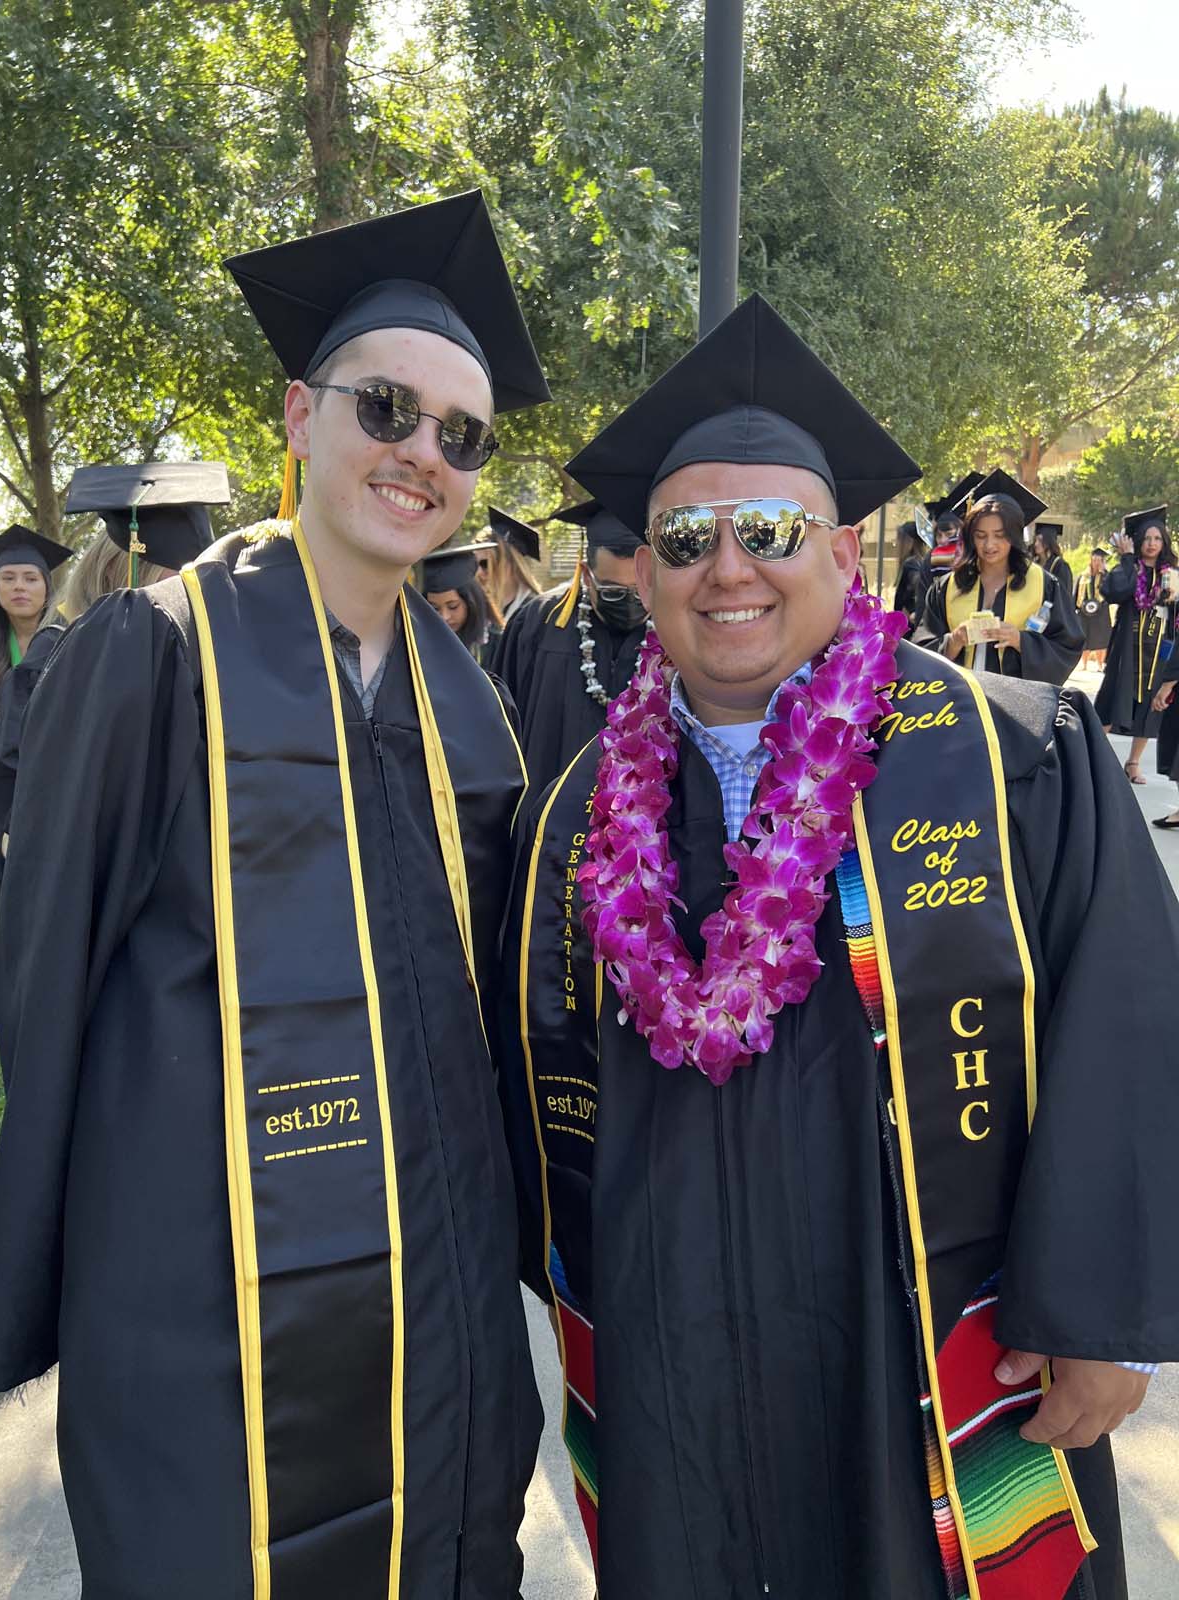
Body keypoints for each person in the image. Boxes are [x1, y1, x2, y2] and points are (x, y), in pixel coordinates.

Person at [501, 293, 1177, 1600]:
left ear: (843, 544)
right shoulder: (580, 810)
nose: (727, 569)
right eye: (685, 537)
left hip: (931, 1339)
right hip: (679, 1340)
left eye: (769, 531)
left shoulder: (1008, 755)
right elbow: (533, 1062)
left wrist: (1099, 1313)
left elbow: (1127, 1015)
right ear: (644, 565)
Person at [0, 190, 551, 1599]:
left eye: (458, 436)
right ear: (300, 418)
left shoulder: (466, 707)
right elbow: (44, 985)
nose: (420, 453)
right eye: (386, 408)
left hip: (435, 1292)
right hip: (206, 1300)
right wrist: (52, 1279)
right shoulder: (149, 658)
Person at [0, 461, 228, 870]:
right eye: (174, 583)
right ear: (126, 569)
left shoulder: (197, 657)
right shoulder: (57, 654)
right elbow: (22, 781)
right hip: (89, 876)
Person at [492, 498, 647, 802]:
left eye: (641, 589)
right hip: (543, 827)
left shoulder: (674, 630)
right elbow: (497, 729)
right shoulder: (537, 623)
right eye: (613, 592)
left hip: (642, 830)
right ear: (587, 576)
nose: (631, 602)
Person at [0, 527, 72, 921]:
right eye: (8, 578)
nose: (19, 587)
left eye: (31, 578)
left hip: (52, 764)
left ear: (47, 587)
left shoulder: (70, 639)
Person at [917, 472, 1083, 683]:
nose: (989, 545)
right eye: (981, 535)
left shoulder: (1044, 585)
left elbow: (1067, 647)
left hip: (1018, 706)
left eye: (999, 535)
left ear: (1014, 535)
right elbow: (921, 648)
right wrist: (953, 641)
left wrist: (1021, 641)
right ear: (970, 537)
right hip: (959, 705)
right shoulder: (948, 587)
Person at [1094, 505, 1177, 785]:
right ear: (1139, 541)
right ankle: (1092, 758)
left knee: (1150, 708)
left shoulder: (1173, 572)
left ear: (1164, 541)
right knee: (1112, 699)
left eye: (1157, 538)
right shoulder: (1132, 566)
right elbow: (1115, 591)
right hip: (1128, 647)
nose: (1152, 544)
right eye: (1146, 539)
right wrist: (1127, 558)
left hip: (1159, 649)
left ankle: (1132, 763)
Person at [419, 542, 504, 668]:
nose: (444, 616)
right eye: (435, 608)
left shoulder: (498, 644)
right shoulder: (420, 643)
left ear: (472, 602)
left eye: (453, 606)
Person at [476, 504, 542, 623]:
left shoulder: (536, 612)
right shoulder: (483, 610)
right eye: (475, 564)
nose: (479, 572)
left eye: (485, 564)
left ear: (510, 564)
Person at [1075, 546, 1113, 671]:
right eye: (1094, 560)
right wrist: (1074, 608)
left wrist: (1104, 573)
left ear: (1103, 562)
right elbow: (1076, 594)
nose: (1096, 563)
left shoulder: (1106, 576)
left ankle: (1100, 664)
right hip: (1084, 611)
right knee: (1084, 638)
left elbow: (1111, 589)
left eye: (1099, 560)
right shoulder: (1083, 576)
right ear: (1090, 560)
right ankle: (1084, 664)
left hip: (1101, 611)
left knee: (1101, 638)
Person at [892, 518, 927, 622]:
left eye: (899, 539)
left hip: (909, 623)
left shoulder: (911, 563)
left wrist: (910, 609)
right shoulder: (923, 562)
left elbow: (917, 582)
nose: (897, 543)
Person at [1034, 521, 1074, 601]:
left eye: (1040, 540)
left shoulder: (1060, 566)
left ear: (1049, 542)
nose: (1036, 544)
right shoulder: (1034, 564)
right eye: (1035, 540)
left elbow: (1064, 595)